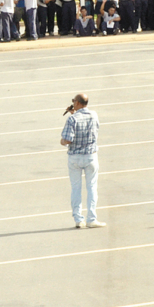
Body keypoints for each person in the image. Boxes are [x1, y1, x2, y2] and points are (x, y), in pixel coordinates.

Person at [60, 93, 104, 229]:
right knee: (92, 187)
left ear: (78, 103)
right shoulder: (94, 115)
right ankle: (92, 218)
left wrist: (62, 141)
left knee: (76, 188)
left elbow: (67, 139)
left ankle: (79, 219)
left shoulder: (72, 119)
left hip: (75, 157)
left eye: (73, 101)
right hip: (91, 155)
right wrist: (74, 113)